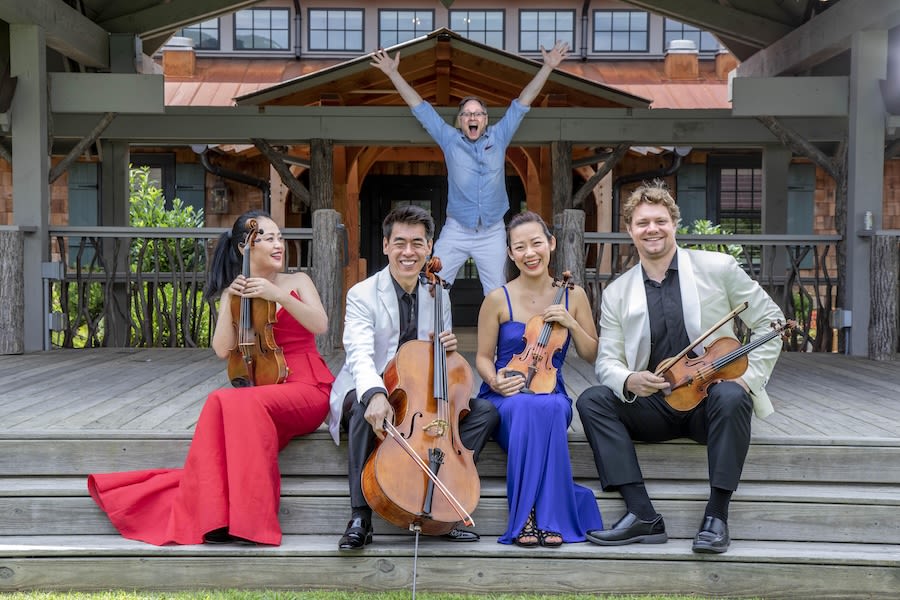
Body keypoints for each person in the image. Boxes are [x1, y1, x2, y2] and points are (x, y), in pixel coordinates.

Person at [87, 210, 334, 546]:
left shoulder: (298, 281)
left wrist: (277, 295)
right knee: (224, 401)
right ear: (245, 249)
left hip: (307, 387)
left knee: (227, 400)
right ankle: (217, 518)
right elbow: (222, 350)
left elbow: (320, 325)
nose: (278, 245)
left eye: (279, 237)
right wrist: (230, 299)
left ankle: (251, 523)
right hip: (264, 393)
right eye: (268, 238)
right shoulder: (236, 294)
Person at [576, 181, 785, 554]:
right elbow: (607, 360)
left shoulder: (717, 267)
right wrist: (629, 378)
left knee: (732, 395)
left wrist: (747, 380)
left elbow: (771, 321)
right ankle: (642, 514)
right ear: (630, 231)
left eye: (660, 220)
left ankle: (716, 516)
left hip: (710, 405)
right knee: (593, 400)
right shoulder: (617, 293)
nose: (651, 229)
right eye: (642, 223)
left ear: (674, 223)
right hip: (657, 404)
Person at [328, 205, 499, 550]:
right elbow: (359, 353)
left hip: (419, 392)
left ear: (430, 247)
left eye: (417, 243)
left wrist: (448, 349)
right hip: (372, 383)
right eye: (401, 243)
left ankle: (448, 497)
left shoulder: (439, 293)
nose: (409, 252)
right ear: (386, 246)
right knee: (364, 411)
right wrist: (375, 393)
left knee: (485, 413)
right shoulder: (362, 293)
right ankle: (361, 516)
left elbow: (438, 361)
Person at [370, 41, 569, 296]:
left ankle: (497, 337)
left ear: (485, 120)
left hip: (492, 231)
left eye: (478, 114)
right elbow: (420, 108)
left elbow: (523, 101)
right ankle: (438, 336)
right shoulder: (449, 139)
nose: (472, 117)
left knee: (497, 293)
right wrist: (393, 73)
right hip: (457, 229)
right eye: (466, 114)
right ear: (460, 121)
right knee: (432, 282)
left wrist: (548, 67)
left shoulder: (499, 136)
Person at [475, 211, 602, 547]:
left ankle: (536, 516)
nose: (530, 253)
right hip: (506, 392)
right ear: (510, 253)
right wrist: (495, 380)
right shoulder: (496, 298)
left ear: (551, 244)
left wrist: (572, 324)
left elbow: (591, 354)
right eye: (520, 247)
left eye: (536, 243)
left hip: (550, 389)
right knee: (526, 408)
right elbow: (483, 357)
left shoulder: (573, 296)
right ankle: (537, 517)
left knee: (545, 407)